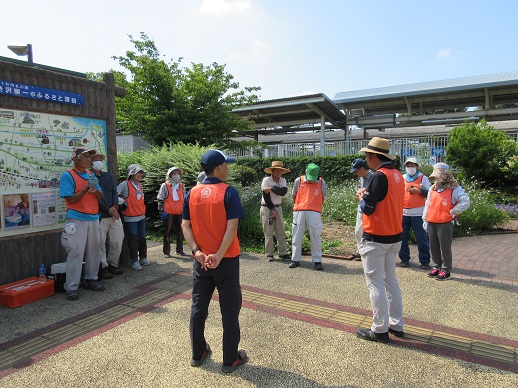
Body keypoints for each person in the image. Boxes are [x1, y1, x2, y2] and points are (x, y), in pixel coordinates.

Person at [181, 149, 248, 373]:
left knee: (198, 307)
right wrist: (218, 254)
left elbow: (185, 226)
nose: (228, 168)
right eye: (226, 165)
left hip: (201, 262)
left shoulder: (191, 193)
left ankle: (197, 353)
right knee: (229, 310)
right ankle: (230, 359)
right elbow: (232, 227)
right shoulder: (229, 192)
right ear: (219, 168)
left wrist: (197, 252)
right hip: (225, 260)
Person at [355, 137, 405, 343]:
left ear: (375, 156)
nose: (366, 160)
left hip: (376, 237)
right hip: (394, 235)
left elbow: (369, 208)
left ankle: (379, 329)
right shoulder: (398, 176)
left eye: (367, 156)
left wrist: (361, 198)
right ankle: (396, 324)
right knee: (390, 280)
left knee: (375, 284)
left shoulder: (378, 176)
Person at [59, 147, 105, 301]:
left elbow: (101, 194)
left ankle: (91, 279)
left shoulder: (91, 174)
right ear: (75, 158)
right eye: (84, 156)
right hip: (76, 219)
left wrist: (95, 191)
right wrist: (87, 188)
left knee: (95, 250)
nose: (88, 160)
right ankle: (71, 287)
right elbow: (70, 199)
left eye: (89, 157)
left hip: (93, 218)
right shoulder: (68, 175)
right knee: (75, 252)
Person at [423, 162, 470, 281]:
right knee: (433, 246)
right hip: (432, 220)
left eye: (439, 176)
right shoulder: (433, 188)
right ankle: (436, 266)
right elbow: (428, 204)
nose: (437, 179)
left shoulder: (454, 188)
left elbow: (465, 201)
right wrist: (425, 218)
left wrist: (453, 211)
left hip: (445, 222)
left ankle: (446, 269)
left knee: (445, 247)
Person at [91, 152, 124, 279]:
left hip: (114, 214)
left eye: (100, 159)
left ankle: (113, 265)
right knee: (100, 243)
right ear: (91, 162)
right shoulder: (90, 176)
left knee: (117, 239)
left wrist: (115, 206)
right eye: (96, 159)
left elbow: (114, 192)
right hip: (100, 215)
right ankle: (102, 267)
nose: (99, 161)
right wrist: (108, 209)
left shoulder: (107, 176)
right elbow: (94, 196)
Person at [289, 163, 326, 270]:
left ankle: (317, 261)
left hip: (314, 212)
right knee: (296, 236)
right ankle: (295, 259)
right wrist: (300, 206)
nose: (311, 180)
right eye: (310, 178)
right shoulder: (298, 181)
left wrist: (316, 207)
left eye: (313, 178)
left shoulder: (321, 182)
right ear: (306, 172)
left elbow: (323, 196)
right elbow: (294, 195)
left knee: (315, 236)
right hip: (299, 211)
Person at [399, 157, 431, 269]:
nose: (410, 168)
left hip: (418, 213)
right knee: (402, 238)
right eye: (408, 166)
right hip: (404, 212)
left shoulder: (423, 178)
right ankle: (404, 259)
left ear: (417, 166)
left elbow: (429, 194)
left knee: (421, 238)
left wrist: (418, 191)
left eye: (412, 165)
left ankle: (425, 261)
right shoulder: (402, 178)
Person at [117, 164, 149, 271]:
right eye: (138, 172)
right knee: (133, 239)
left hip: (141, 216)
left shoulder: (140, 185)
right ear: (131, 173)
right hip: (130, 217)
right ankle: (134, 260)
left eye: (141, 173)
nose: (140, 174)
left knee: (142, 238)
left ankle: (143, 257)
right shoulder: (124, 184)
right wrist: (121, 201)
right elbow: (114, 194)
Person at [261, 161, 291, 262]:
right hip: (266, 207)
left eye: (280, 170)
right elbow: (266, 196)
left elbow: (283, 192)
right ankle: (269, 254)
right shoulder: (266, 180)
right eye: (277, 170)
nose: (278, 172)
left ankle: (283, 253)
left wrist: (272, 188)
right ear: (272, 171)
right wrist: (272, 209)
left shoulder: (283, 180)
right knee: (268, 232)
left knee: (281, 230)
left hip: (278, 207)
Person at [157, 166, 187, 258]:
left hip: (179, 212)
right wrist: (161, 210)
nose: (176, 175)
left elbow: (184, 198)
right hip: (168, 212)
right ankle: (166, 251)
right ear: (170, 175)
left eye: (178, 173)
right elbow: (160, 198)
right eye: (174, 174)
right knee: (167, 232)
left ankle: (179, 250)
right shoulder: (165, 185)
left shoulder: (182, 186)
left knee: (180, 232)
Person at [349, 158, 372, 261]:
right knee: (358, 231)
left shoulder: (372, 178)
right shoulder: (362, 178)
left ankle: (366, 252)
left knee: (367, 232)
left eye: (357, 171)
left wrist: (363, 195)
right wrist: (359, 193)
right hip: (361, 207)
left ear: (362, 169)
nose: (356, 173)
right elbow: (361, 189)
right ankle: (360, 251)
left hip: (369, 208)